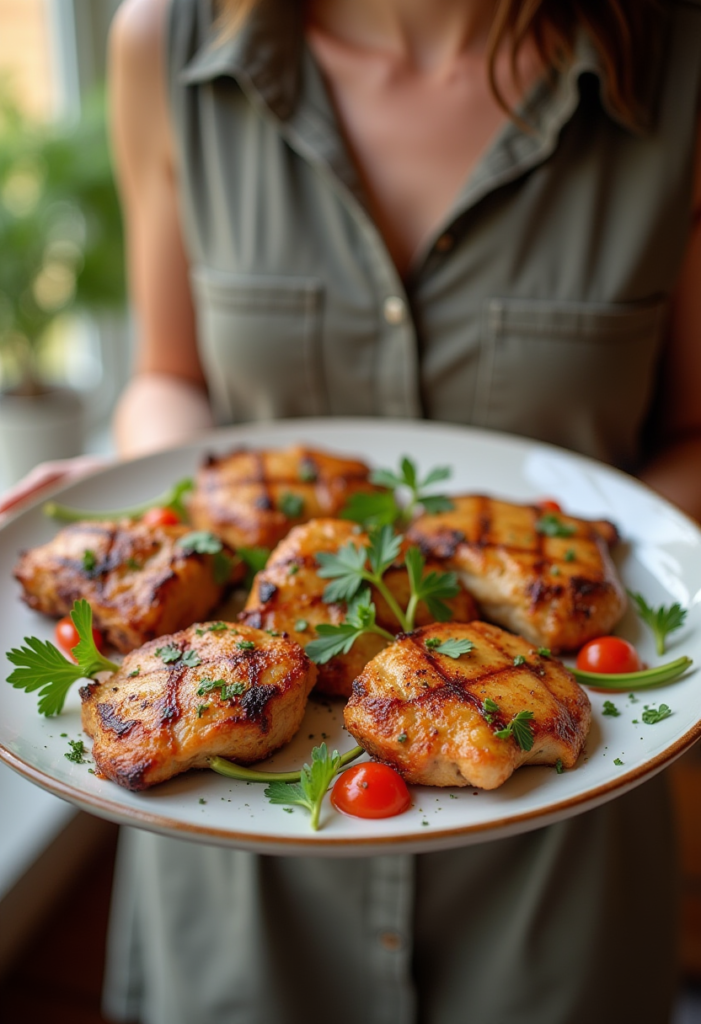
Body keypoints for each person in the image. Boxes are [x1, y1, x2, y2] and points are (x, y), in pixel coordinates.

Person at [6, 0, 700, 1021]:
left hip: (554, 884)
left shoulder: (675, 60)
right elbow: (166, 377)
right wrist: (131, 508)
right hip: (233, 884)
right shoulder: (168, 43)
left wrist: (621, 545)